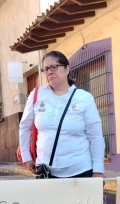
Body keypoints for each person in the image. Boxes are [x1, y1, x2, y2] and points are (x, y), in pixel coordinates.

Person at [19, 51, 104, 179]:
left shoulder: (84, 98)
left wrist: (98, 170)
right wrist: (26, 156)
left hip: (80, 170)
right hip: (46, 172)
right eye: (46, 69)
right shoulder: (36, 95)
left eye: (54, 67)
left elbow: (95, 135)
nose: (49, 72)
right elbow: (24, 126)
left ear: (67, 68)